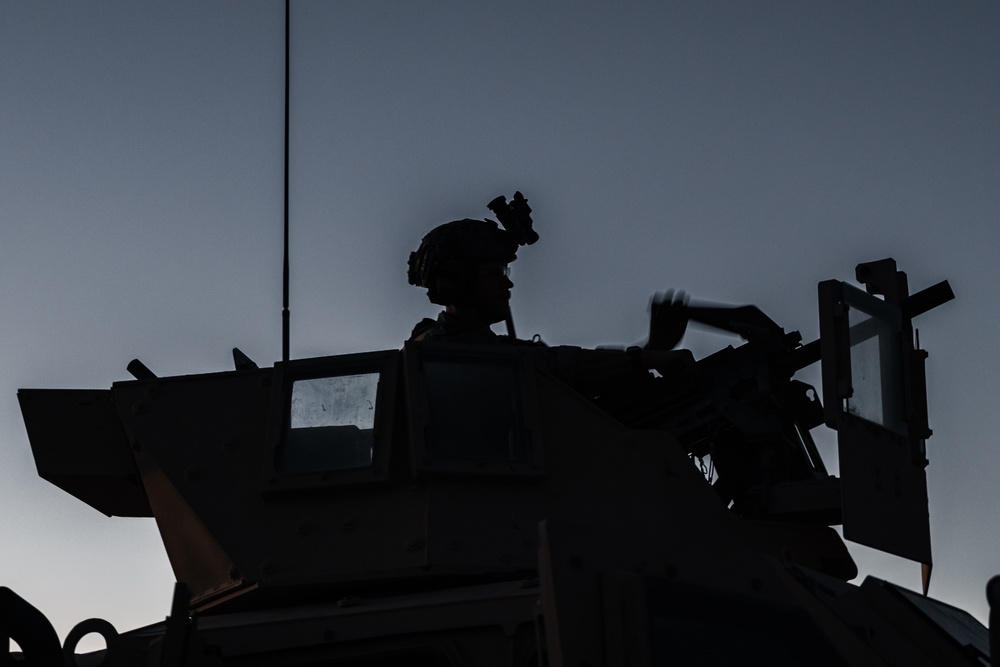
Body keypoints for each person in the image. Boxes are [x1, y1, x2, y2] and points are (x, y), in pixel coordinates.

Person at [406, 211, 695, 396]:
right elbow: (549, 369)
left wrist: (650, 350)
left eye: (505, 272)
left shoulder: (489, 347)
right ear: (457, 280)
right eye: (495, 272)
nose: (507, 284)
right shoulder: (436, 349)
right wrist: (646, 357)